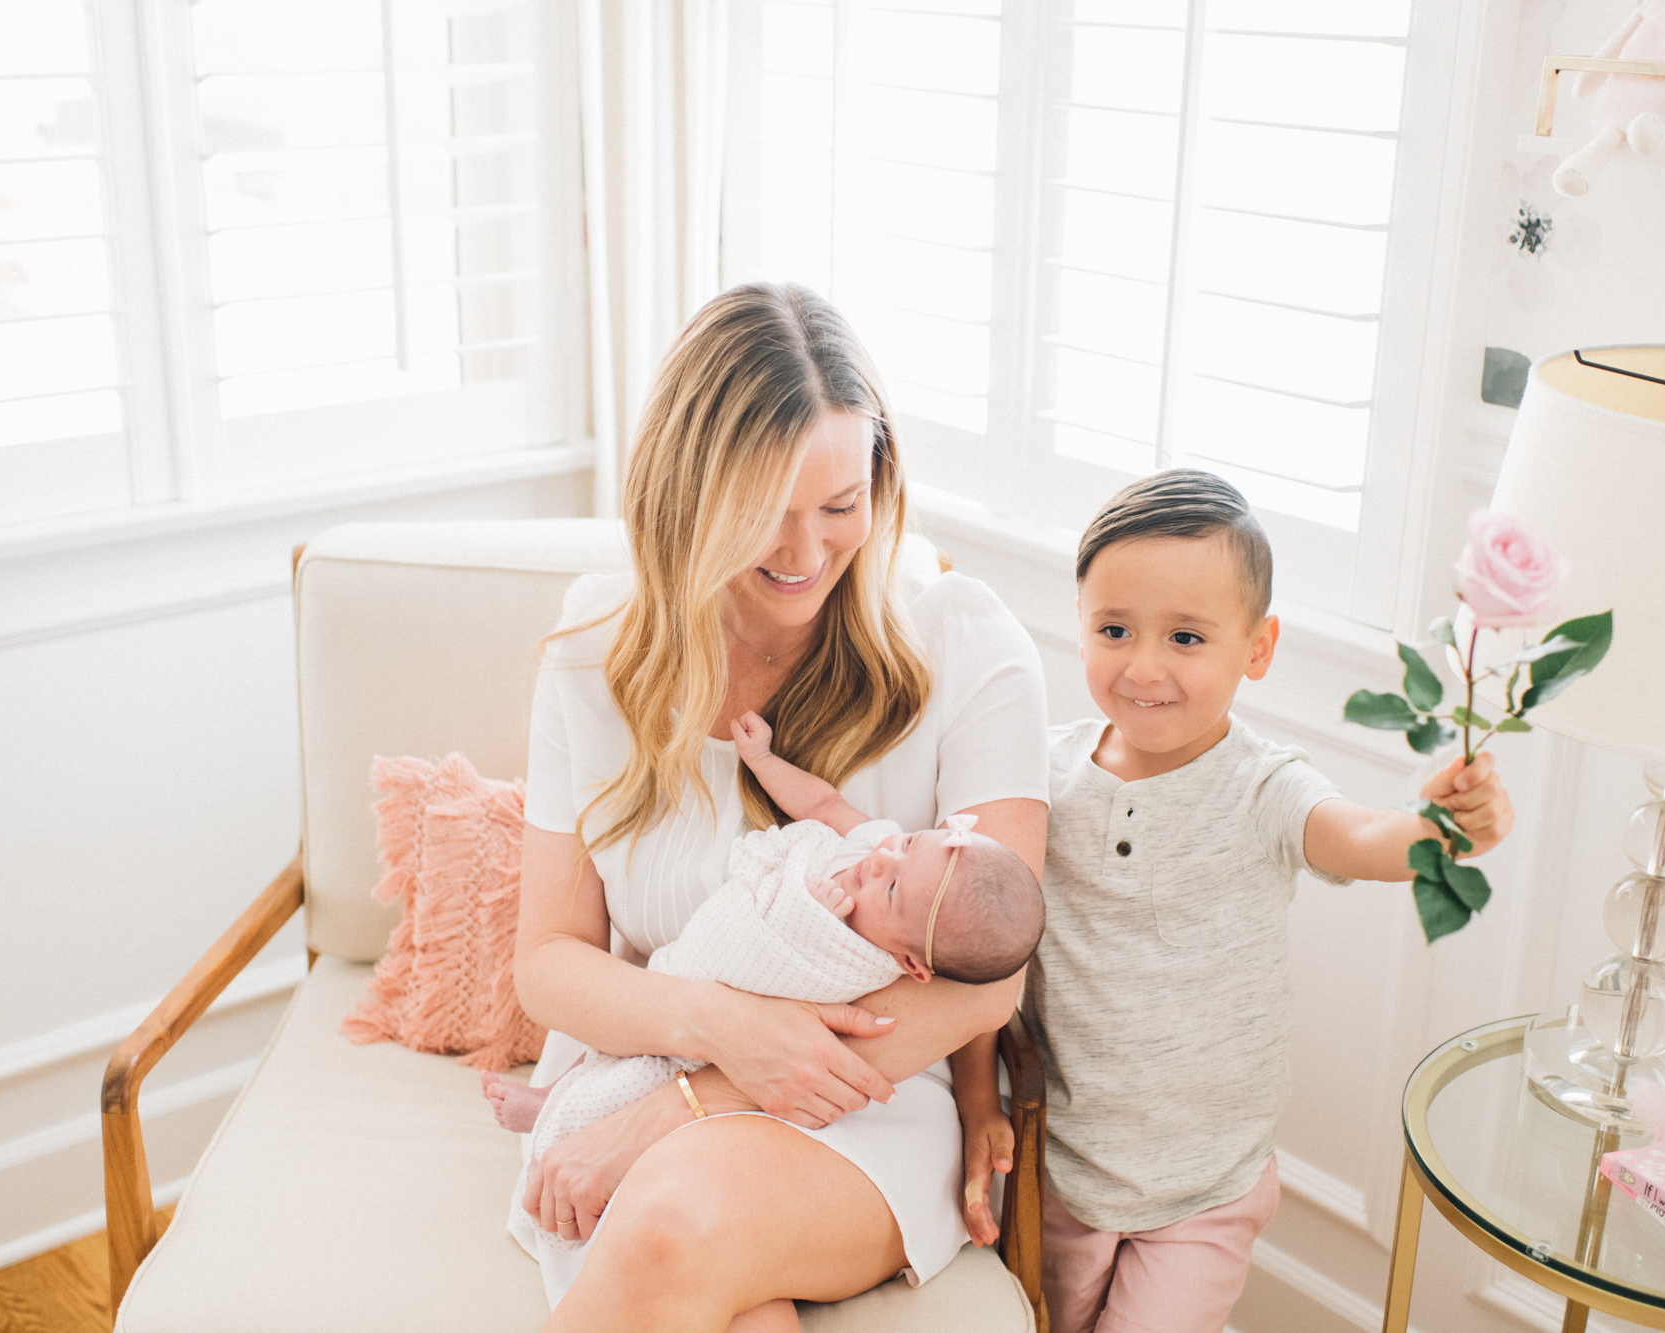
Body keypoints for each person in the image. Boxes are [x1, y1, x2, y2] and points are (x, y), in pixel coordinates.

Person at [509, 282, 1049, 1331]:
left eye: (840, 508)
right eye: (764, 513)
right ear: (682, 493)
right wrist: (710, 1032)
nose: (805, 555)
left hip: (868, 1102)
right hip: (627, 1067)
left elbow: (988, 981)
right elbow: (548, 961)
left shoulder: (969, 649)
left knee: (672, 1224)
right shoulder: (591, 653)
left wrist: (693, 1104)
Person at [1017, 469, 1515, 1333]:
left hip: (1205, 1188)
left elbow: (1359, 839)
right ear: (1081, 622)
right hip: (1063, 1166)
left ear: (1257, 646)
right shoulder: (1046, 771)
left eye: (1184, 637)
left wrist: (1439, 826)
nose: (1142, 666)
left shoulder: (1264, 786)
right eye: (1114, 628)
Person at [487, 715, 1044, 1259]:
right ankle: (556, 1092)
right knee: (615, 1038)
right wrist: (764, 761)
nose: (878, 863)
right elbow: (824, 806)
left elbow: (788, 983)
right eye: (907, 845)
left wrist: (813, 920)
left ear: (911, 964)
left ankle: (558, 1115)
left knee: (635, 1079)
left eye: (893, 890)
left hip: (723, 1056)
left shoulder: (868, 961)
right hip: (681, 989)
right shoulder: (883, 848)